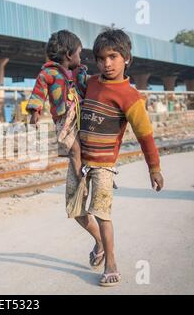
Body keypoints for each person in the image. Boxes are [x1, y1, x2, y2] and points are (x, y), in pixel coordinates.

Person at [70, 28, 164, 287]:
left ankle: (110, 263)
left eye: (113, 56)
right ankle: (99, 241)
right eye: (101, 58)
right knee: (76, 211)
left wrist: (154, 168)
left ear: (126, 58)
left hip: (103, 166)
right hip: (79, 160)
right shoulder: (90, 84)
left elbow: (145, 136)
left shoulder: (131, 97)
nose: (106, 63)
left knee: (102, 214)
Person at [26, 30, 87, 184]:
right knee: (74, 149)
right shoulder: (49, 73)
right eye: (79, 54)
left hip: (81, 115)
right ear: (68, 54)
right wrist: (35, 110)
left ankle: (89, 171)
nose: (80, 58)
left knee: (85, 146)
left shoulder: (78, 72)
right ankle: (81, 180)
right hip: (64, 118)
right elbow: (39, 91)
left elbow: (88, 88)